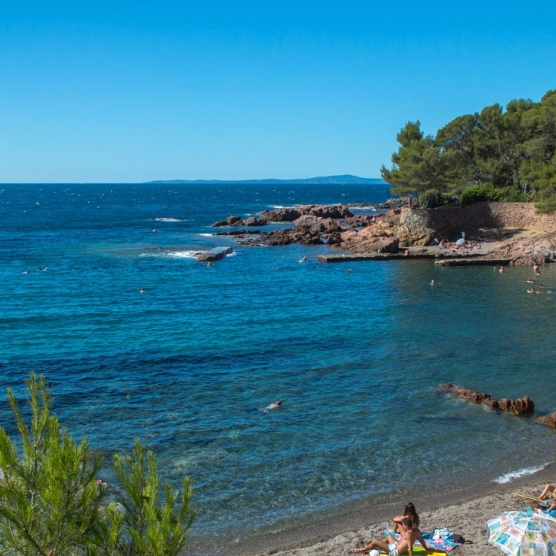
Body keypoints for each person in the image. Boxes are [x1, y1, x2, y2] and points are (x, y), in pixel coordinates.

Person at [351, 517, 432, 555]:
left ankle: (361, 550)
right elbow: (422, 541)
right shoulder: (417, 531)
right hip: (396, 545)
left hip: (394, 551)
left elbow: (410, 548)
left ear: (406, 526)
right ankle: (378, 547)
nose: (403, 527)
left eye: (403, 525)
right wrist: (427, 548)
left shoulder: (408, 534)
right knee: (389, 536)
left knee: (375, 541)